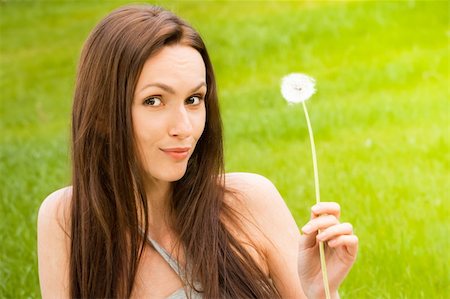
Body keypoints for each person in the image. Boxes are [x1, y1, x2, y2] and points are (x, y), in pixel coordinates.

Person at [37, 4, 358, 299]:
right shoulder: (69, 220)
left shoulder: (250, 202)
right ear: (103, 114)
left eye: (194, 99)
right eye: (154, 100)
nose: (184, 127)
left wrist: (320, 292)